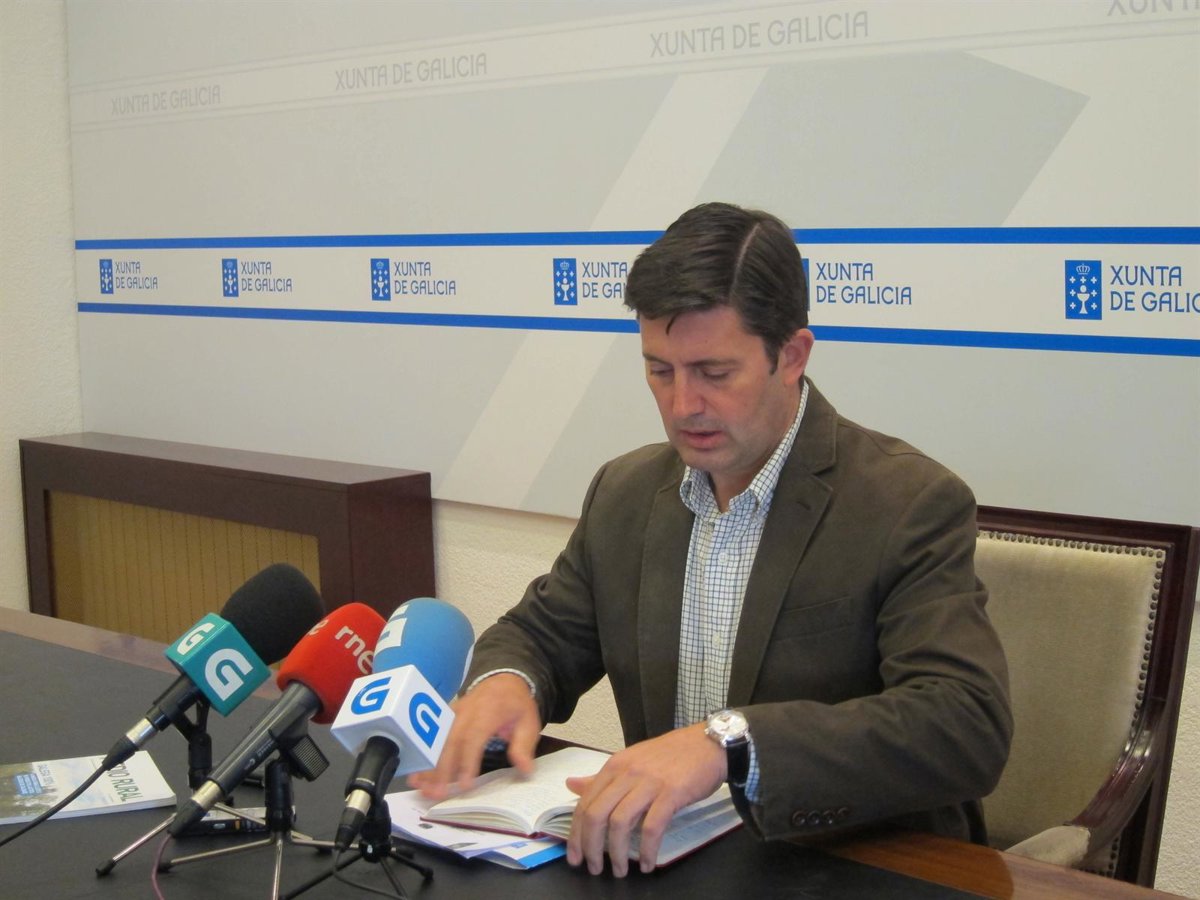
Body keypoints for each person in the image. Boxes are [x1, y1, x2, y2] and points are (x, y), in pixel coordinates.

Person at [411, 202, 1012, 877]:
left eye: (714, 373)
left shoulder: (906, 502)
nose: (682, 405)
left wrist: (728, 744)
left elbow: (964, 724)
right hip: (670, 863)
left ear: (791, 355)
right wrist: (507, 681)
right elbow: (543, 634)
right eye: (660, 371)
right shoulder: (626, 492)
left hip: (848, 867)